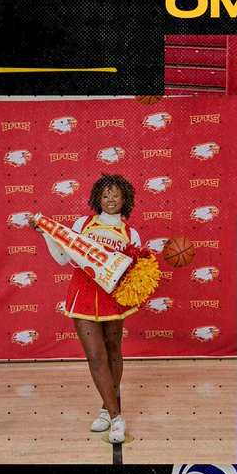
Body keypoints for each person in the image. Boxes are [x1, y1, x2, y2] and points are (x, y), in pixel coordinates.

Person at [30, 173, 141, 444]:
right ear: (97, 199)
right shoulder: (83, 224)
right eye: (105, 195)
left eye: (116, 195)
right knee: (95, 356)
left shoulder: (131, 234)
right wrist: (47, 235)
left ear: (124, 199)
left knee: (113, 352)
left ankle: (106, 409)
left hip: (113, 298)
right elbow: (62, 259)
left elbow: (134, 273)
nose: (110, 199)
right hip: (83, 295)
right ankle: (117, 417)